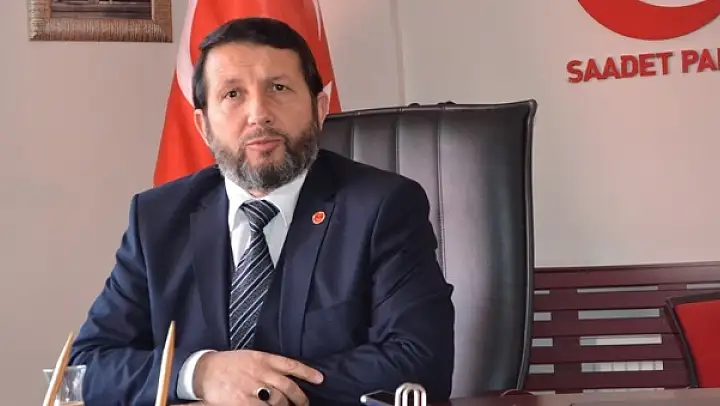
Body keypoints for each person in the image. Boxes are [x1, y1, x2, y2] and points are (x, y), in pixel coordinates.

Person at [69, 17, 455, 406]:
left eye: (279, 88)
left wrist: (256, 388)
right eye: (232, 94)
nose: (259, 113)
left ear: (319, 108)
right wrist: (200, 374)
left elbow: (421, 361)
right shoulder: (156, 218)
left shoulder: (383, 207)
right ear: (203, 126)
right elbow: (85, 367)